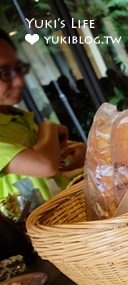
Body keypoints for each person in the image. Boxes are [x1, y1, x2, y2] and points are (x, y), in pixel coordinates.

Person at [0, 29, 84, 220]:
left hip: (68, 221)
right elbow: (45, 165)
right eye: (4, 73)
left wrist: (75, 154)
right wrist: (48, 127)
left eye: (19, 69)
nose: (20, 81)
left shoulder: (17, 117)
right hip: (39, 241)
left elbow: (52, 171)